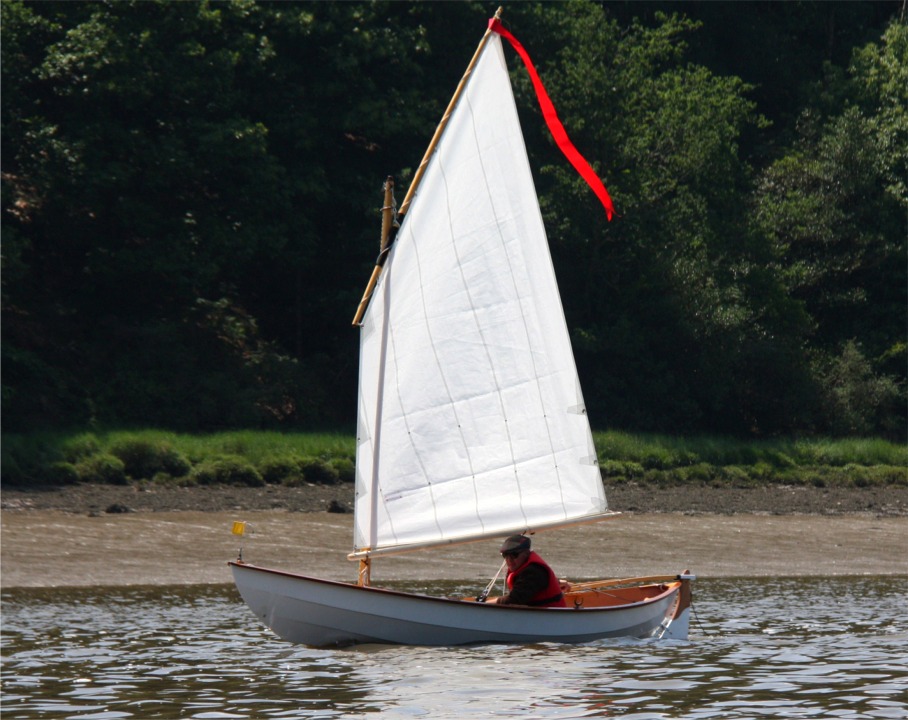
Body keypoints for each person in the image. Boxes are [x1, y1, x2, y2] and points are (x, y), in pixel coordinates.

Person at [488, 534, 567, 607]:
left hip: (549, 619)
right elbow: (536, 583)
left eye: (514, 555)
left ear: (526, 553)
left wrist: (484, 604)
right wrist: (558, 582)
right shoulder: (526, 569)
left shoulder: (534, 571)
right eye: (505, 555)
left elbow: (514, 600)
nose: (509, 560)